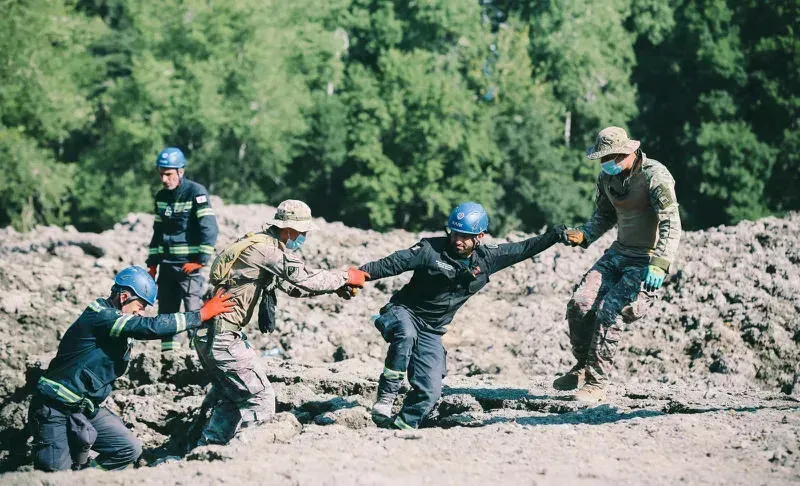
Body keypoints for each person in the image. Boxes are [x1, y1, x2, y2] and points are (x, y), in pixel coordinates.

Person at [359, 202, 566, 429]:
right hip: (403, 313)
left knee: (430, 392)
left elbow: (524, 248)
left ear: (480, 236)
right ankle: (386, 397)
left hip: (431, 330)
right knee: (406, 334)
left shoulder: (488, 259)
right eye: (454, 233)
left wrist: (555, 235)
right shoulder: (430, 249)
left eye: (465, 236)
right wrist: (357, 275)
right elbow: (393, 263)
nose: (457, 240)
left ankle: (399, 429)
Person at [193, 199, 369, 445]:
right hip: (223, 338)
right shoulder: (269, 251)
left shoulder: (258, 244)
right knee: (260, 397)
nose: (304, 237)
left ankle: (208, 450)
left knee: (233, 397)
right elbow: (304, 278)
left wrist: (335, 287)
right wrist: (345, 276)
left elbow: (291, 287)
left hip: (208, 335)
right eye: (302, 232)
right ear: (288, 230)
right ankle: (249, 452)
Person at [28, 266, 234, 471]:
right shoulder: (101, 316)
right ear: (124, 296)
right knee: (56, 479)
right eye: (141, 305)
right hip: (53, 409)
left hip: (84, 408)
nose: (141, 312)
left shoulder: (114, 321)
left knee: (128, 449)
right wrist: (201, 315)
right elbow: (149, 327)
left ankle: (87, 478)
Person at [555, 126, 682, 403]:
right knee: (580, 303)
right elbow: (604, 214)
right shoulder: (607, 179)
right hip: (618, 253)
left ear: (629, 152)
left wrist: (660, 263)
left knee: (610, 312)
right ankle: (582, 366)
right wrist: (585, 234)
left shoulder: (654, 177)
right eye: (602, 159)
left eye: (610, 157)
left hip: (645, 259)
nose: (606, 164)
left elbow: (672, 222)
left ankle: (596, 383)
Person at [145, 147, 219, 355]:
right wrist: (152, 264)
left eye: (168, 174)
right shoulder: (161, 197)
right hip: (167, 266)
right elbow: (157, 233)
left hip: (188, 267)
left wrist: (201, 260)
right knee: (166, 315)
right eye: (161, 174)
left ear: (181, 171)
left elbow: (209, 227)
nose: (164, 179)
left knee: (194, 312)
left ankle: (198, 357)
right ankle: (168, 359)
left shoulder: (196, 193)